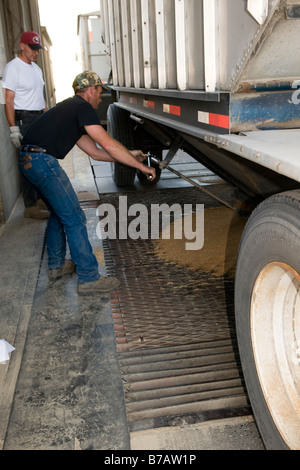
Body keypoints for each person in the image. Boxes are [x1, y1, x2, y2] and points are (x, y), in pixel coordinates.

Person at [18, 71, 156, 295]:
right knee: (75, 218)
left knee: (58, 213)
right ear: (90, 90)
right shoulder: (82, 107)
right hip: (41, 161)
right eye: (100, 92)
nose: (100, 98)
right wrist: (141, 167)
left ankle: (56, 266)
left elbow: (97, 152)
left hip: (29, 160)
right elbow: (108, 143)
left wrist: (131, 154)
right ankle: (89, 278)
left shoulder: (71, 112)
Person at [2, 31, 49, 219]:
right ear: (22, 46)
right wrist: (13, 128)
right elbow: (9, 100)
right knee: (28, 161)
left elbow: (40, 96)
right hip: (24, 119)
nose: (35, 52)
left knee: (39, 159)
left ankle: (38, 199)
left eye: (38, 48)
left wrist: (48, 115)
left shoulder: (36, 69)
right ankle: (30, 206)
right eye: (32, 48)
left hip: (38, 117)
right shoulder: (13, 68)